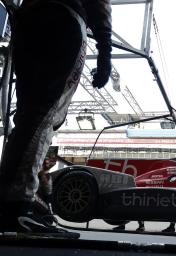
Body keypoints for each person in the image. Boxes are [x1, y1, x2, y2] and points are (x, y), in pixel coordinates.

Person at [0, 0, 112, 234]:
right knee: (45, 113)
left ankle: (10, 201)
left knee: (28, 114)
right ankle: (17, 207)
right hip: (65, 19)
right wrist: (104, 51)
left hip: (28, 20)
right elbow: (99, 3)